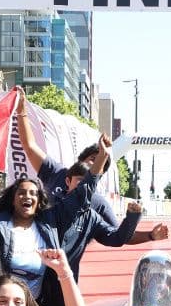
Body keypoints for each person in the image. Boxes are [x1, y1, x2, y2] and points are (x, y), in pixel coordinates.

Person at [0, 145, 104, 306]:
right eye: (21, 193)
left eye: (33, 194)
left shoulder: (48, 222)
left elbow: (80, 194)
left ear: (39, 201)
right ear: (13, 199)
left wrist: (102, 157)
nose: (27, 197)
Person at [13, 87, 120, 227]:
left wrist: (139, 223)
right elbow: (30, 146)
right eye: (93, 159)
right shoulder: (56, 172)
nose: (94, 165)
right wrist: (21, 110)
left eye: (100, 164)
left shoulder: (98, 203)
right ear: (81, 159)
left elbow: (118, 234)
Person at [58, 161, 169, 278]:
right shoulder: (52, 205)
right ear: (68, 181)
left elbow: (116, 237)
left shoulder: (93, 214)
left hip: (66, 279)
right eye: (80, 180)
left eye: (89, 182)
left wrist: (134, 220)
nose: (84, 186)